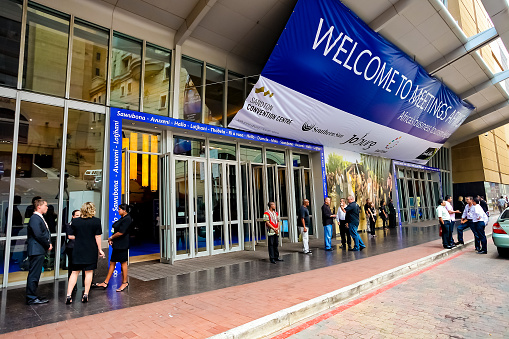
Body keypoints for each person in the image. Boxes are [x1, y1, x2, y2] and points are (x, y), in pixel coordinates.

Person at [65, 202, 104, 304]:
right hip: (91, 249)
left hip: (77, 249)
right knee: (88, 272)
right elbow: (97, 237)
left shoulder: (76, 221)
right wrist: (100, 249)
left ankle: (68, 295)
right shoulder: (96, 221)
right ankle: (86, 294)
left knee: (74, 272)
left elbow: (73, 234)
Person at [92, 203, 132, 290]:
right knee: (112, 262)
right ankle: (105, 282)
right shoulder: (123, 218)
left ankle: (125, 282)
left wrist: (111, 238)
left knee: (123, 262)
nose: (118, 211)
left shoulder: (127, 219)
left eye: (119, 209)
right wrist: (112, 239)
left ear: (124, 210)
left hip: (122, 245)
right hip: (117, 244)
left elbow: (121, 232)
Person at [26, 199, 52, 305]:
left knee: (36, 274)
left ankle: (33, 295)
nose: (47, 207)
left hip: (38, 250)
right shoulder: (35, 218)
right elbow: (38, 235)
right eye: (45, 205)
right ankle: (31, 297)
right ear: (39, 207)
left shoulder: (38, 218)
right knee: (34, 274)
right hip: (36, 250)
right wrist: (47, 244)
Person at [65, 209, 85, 290]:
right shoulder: (69, 225)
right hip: (72, 248)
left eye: (80, 215)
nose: (79, 217)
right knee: (72, 267)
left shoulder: (82, 225)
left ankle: (86, 284)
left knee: (84, 267)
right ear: (73, 216)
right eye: (77, 215)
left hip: (82, 247)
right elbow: (70, 236)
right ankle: (73, 286)